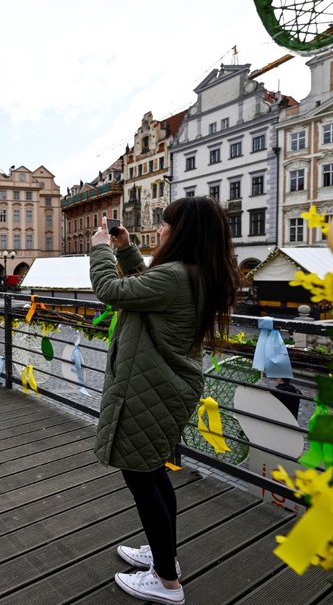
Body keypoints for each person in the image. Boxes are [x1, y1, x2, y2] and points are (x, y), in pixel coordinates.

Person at [88, 197, 241, 605]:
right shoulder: (195, 272)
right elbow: (146, 290)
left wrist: (101, 248)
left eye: (165, 224)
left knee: (142, 477)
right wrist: (125, 250)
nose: (159, 230)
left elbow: (112, 290)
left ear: (183, 231)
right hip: (166, 385)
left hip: (151, 386)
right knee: (153, 472)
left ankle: (168, 580)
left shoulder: (176, 275)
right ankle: (163, 556)